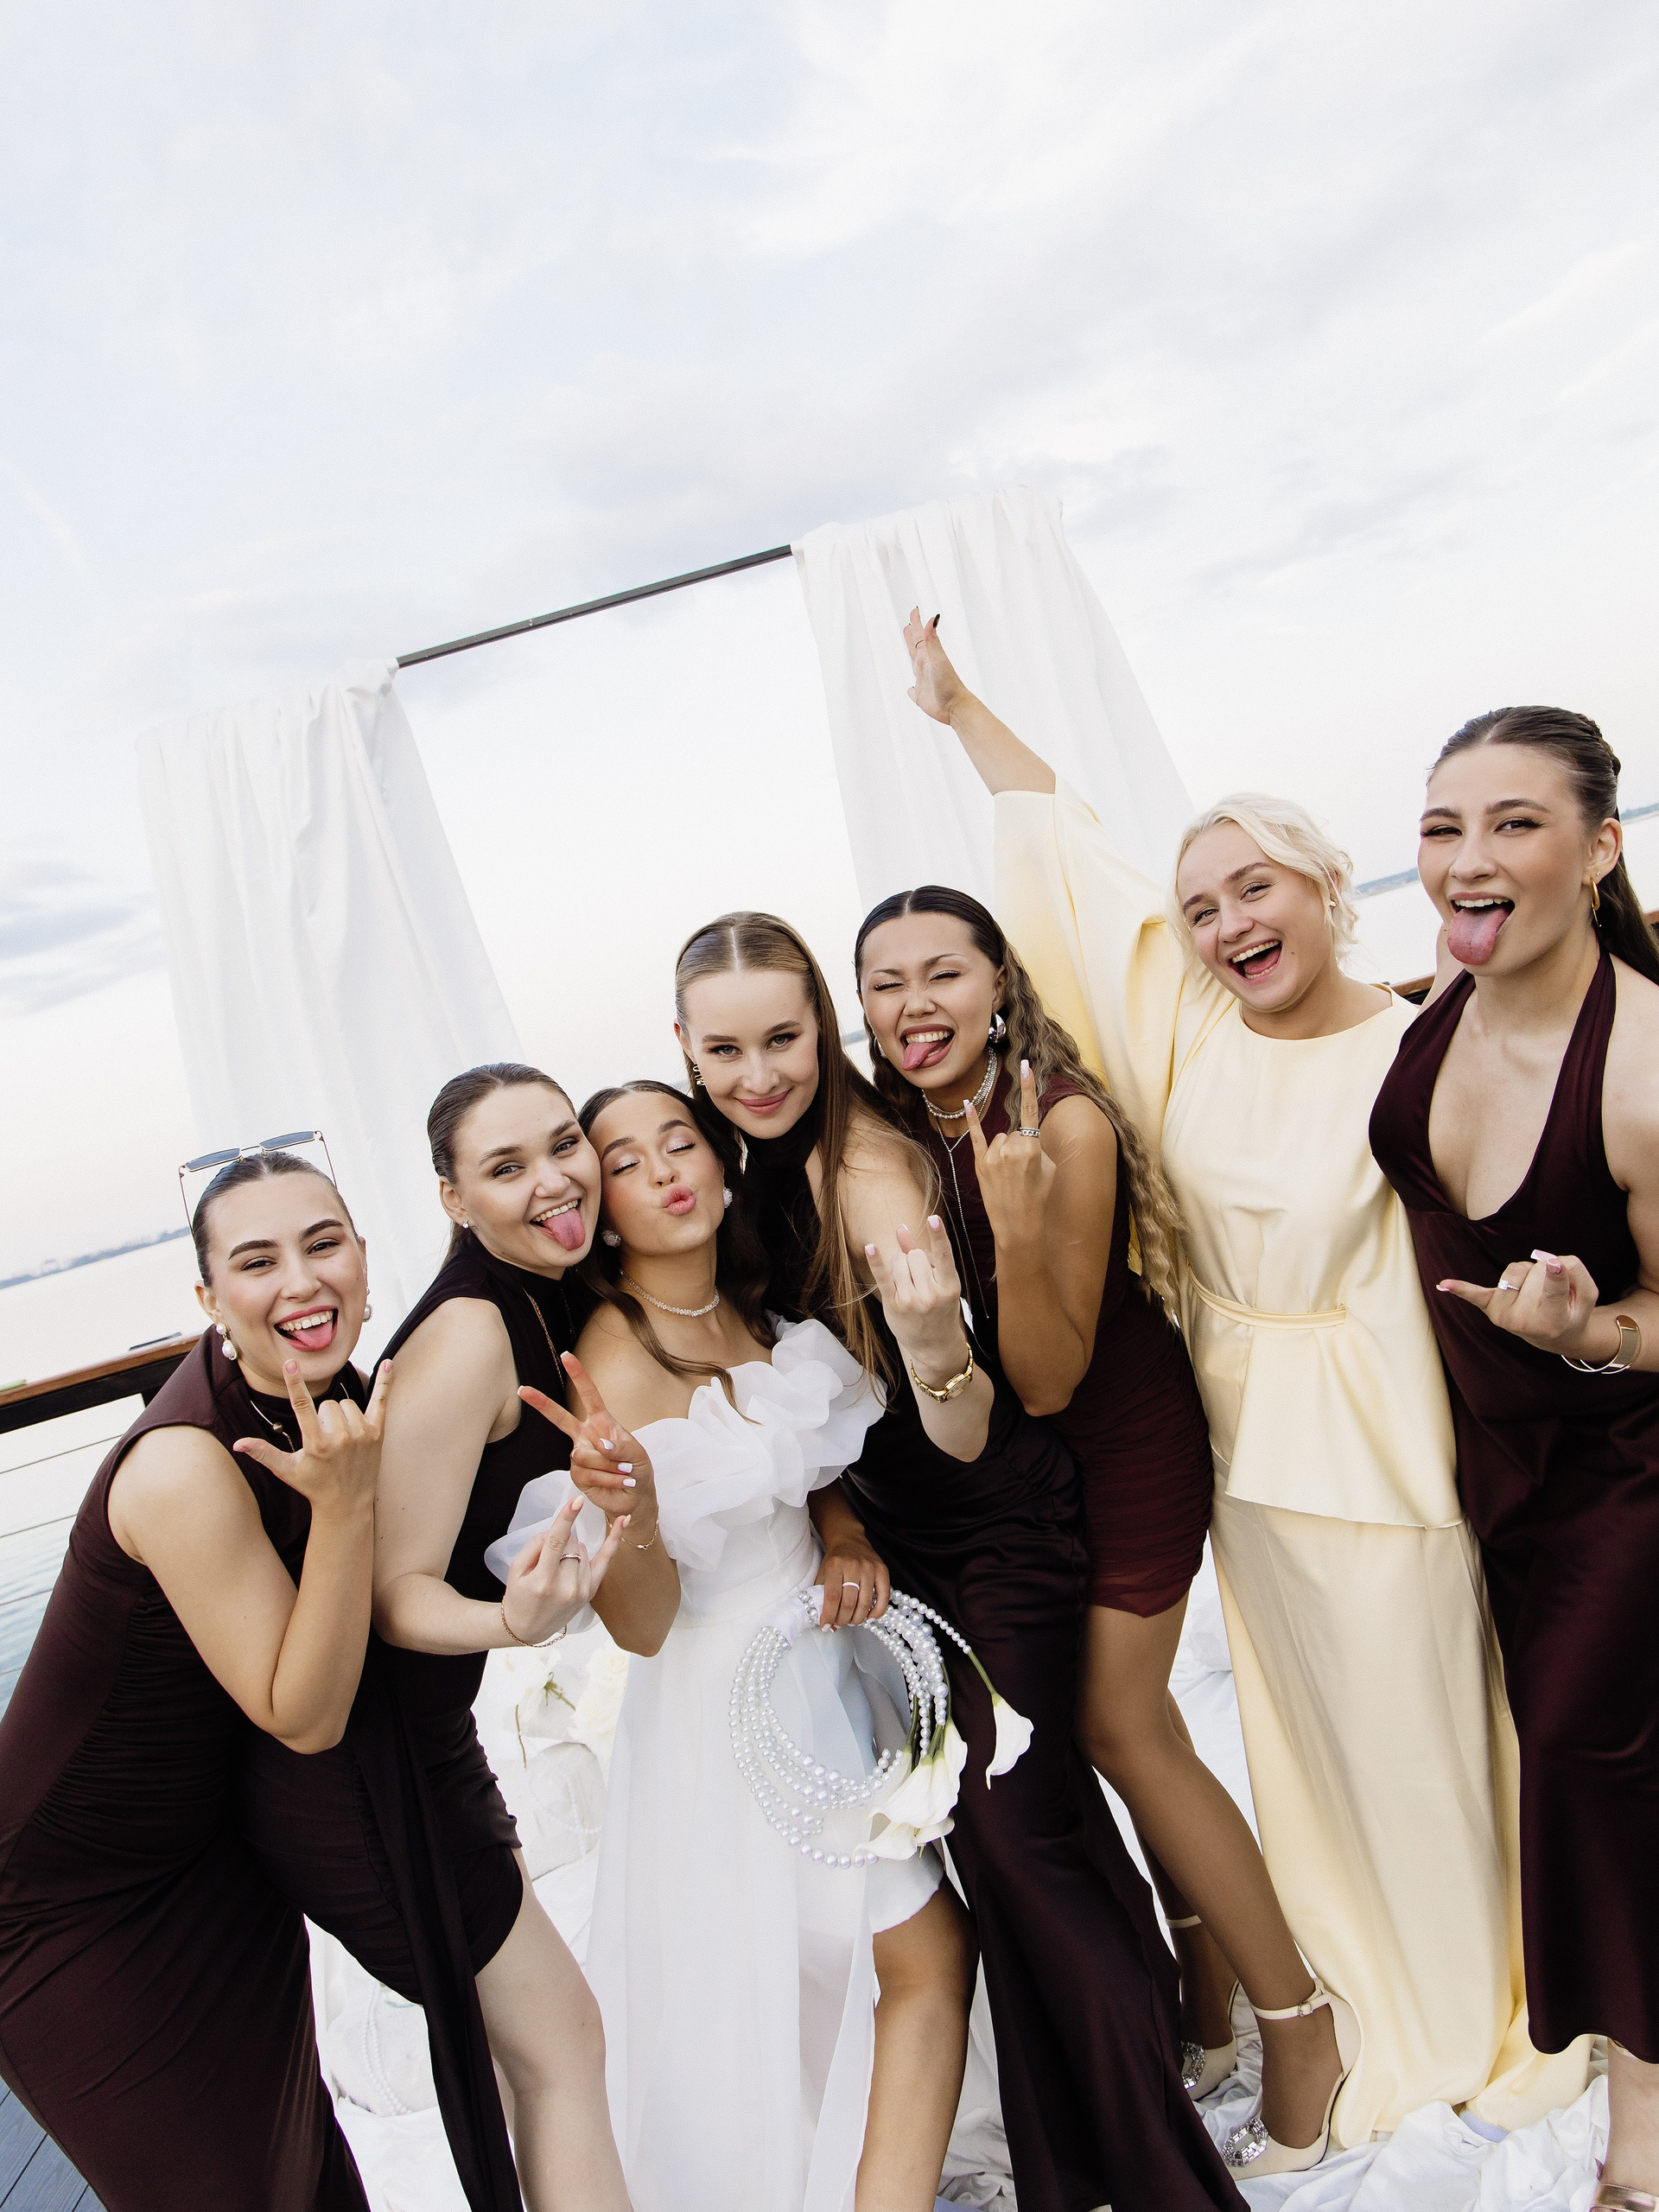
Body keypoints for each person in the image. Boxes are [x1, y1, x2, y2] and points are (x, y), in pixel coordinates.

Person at [901, 610, 1587, 2170]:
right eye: (1203, 903)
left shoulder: (1431, 1047)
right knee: (1311, 1735)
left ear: (1330, 888)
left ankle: (1469, 2002)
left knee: (1420, 1725)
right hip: (1243, 1441)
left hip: (1388, 1439)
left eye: (1255, 887)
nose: (1223, 922)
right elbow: (1073, 860)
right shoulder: (1194, 1030)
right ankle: (1341, 1976)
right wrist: (961, 709)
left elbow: (1543, 1202)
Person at [674, 912, 1246, 2212]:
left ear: (824, 1026)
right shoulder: (732, 1161)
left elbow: (973, 1420)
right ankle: (1091, 2142)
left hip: (996, 1528)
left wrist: (936, 1351)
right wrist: (839, 1522)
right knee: (1009, 1842)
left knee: (1016, 1833)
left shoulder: (869, 1174)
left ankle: (1162, 2174)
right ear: (687, 1050)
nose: (760, 1073)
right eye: (728, 1050)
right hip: (901, 1539)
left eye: (785, 1039)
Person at [855, 878, 1341, 2133]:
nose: (915, 1004)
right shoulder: (886, 1132)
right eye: (886, 983)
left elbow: (1050, 1373)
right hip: (1017, 1479)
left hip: (1117, 1437)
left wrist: (1015, 1229)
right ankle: (1205, 1995)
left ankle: (1303, 2032)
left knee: (1125, 1726)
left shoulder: (1059, 1122)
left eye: (943, 973)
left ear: (998, 983)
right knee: (1107, 1726)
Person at [490, 1078, 976, 2212]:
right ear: (600, 1209)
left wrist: (845, 1533)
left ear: (720, 1164)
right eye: (628, 1161)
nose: (666, 1170)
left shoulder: (754, 1314)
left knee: (830, 1984)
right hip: (729, 1709)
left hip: (829, 1666)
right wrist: (636, 1511)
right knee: (919, 1956)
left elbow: (795, 1468)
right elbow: (643, 1625)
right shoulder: (614, 1354)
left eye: (682, 1142)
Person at [252, 1064, 675, 2212]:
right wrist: (507, 1622)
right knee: (561, 2044)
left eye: (563, 1145)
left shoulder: (549, 1298)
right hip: (364, 1757)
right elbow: (389, 1593)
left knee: (535, 2051)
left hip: (426, 1741)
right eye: (505, 1167)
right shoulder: (472, 1332)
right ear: (452, 1198)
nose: (553, 1181)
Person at [1370, 707, 1659, 2211]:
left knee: (1583, 1756)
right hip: (1481, 1464)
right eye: (1442, 827)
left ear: (1601, 848)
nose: (1466, 860)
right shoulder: (1442, 994)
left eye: (1514, 824)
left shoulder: (1646, 1071)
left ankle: (1643, 2139)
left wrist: (1591, 1330)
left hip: (1625, 1467)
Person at [0, 1147, 385, 2209]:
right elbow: (303, 1712)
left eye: (323, 1243)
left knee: (306, 2178)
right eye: (257, 1262)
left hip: (216, 1858)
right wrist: (348, 1506)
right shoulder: (179, 1465)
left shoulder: (337, 1401)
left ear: (364, 1255)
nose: (301, 1281)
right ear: (210, 1299)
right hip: (71, 1907)